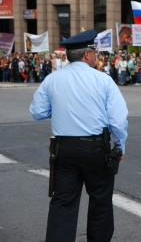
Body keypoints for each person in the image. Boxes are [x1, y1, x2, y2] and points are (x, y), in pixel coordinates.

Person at [29, 30, 128, 242]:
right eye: (95, 52)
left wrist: (59, 109)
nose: (96, 56)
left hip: (63, 149)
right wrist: (119, 145)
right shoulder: (103, 80)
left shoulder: (52, 79)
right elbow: (118, 121)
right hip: (96, 149)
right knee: (100, 200)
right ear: (87, 55)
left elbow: (37, 112)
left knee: (63, 203)